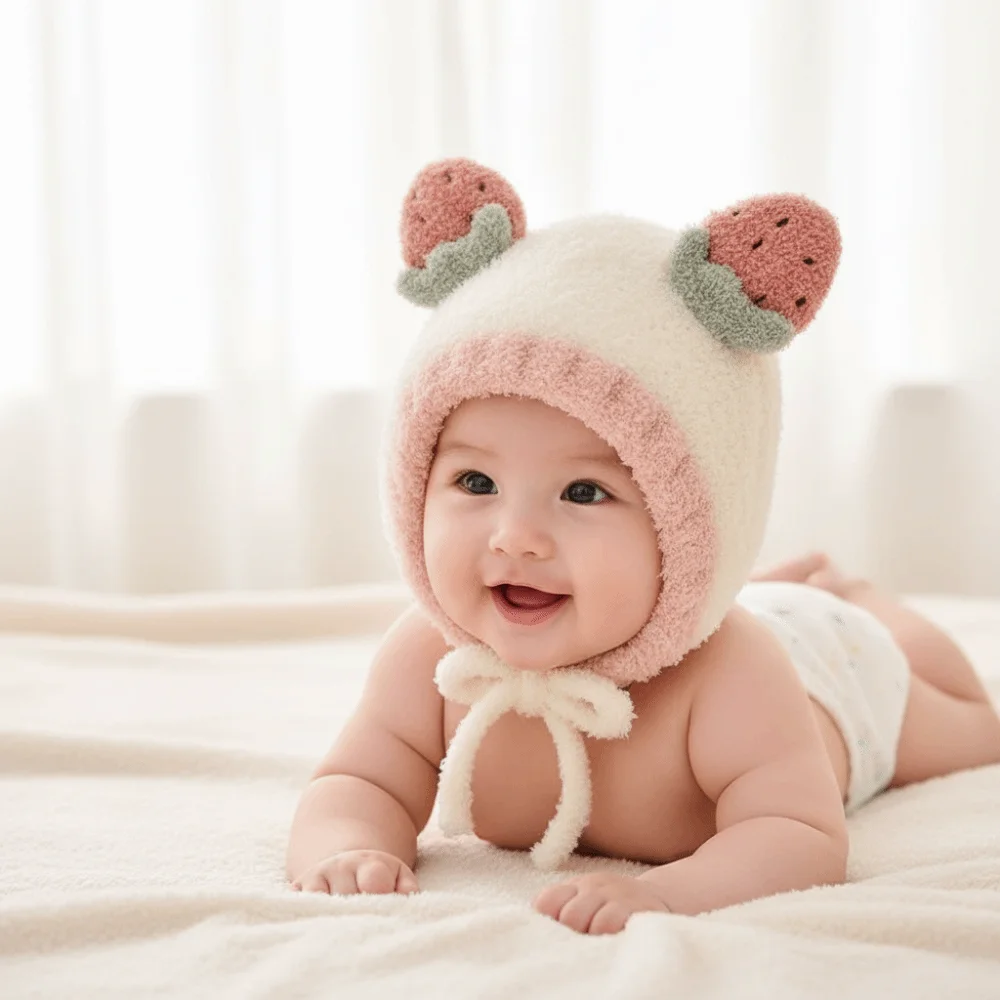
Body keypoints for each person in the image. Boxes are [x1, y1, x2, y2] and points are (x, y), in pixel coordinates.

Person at [285, 159, 1000, 935]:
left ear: (685, 529)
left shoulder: (733, 675)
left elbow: (799, 836)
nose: (515, 537)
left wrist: (670, 893)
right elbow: (360, 781)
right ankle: (779, 581)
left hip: (832, 663)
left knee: (974, 731)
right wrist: (347, 846)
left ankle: (856, 598)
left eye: (584, 493)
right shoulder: (426, 660)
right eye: (475, 483)